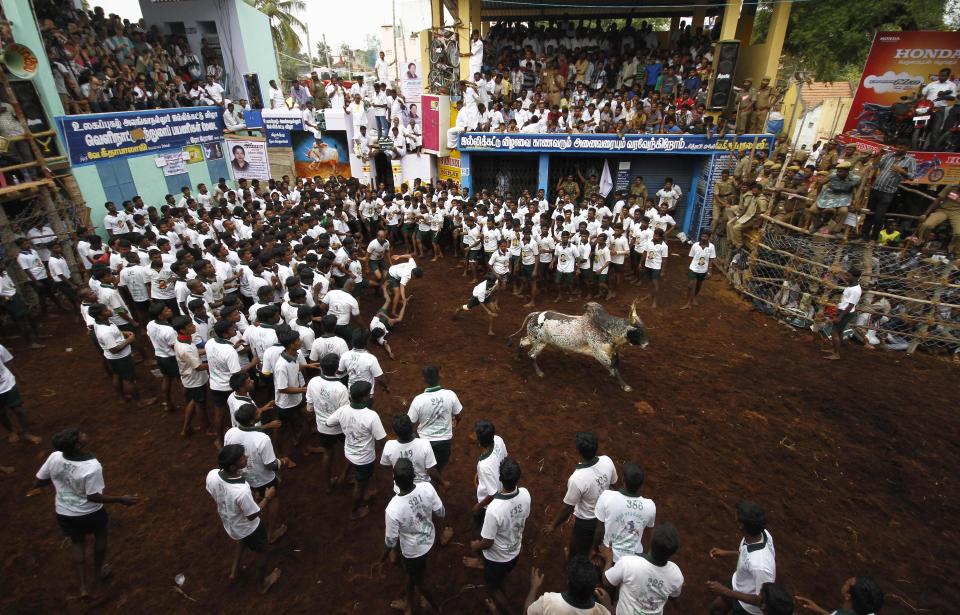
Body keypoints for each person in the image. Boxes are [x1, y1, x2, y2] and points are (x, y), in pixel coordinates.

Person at [31, 428, 138, 601]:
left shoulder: (55, 457)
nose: (84, 434)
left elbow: (39, 481)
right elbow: (93, 496)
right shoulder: (91, 466)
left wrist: (52, 484)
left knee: (77, 542)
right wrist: (120, 499)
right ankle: (97, 573)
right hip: (89, 512)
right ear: (77, 445)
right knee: (100, 536)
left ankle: (83, 586)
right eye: (80, 435)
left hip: (65, 512)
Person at [205, 444, 282, 593]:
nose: (246, 457)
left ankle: (234, 571)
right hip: (249, 527)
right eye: (242, 458)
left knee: (242, 539)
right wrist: (267, 497)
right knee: (263, 552)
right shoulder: (241, 491)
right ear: (233, 467)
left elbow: (215, 494)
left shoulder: (212, 475)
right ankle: (263, 585)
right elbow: (253, 515)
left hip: (230, 521)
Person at [376, 458, 444, 615]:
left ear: (395, 481)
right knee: (413, 575)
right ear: (414, 475)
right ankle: (409, 603)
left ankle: (433, 607)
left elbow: (391, 542)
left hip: (413, 551)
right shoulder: (427, 487)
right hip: (429, 538)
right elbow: (441, 512)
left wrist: (381, 559)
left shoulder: (393, 508)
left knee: (419, 581)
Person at [465, 457, 531, 615]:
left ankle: (507, 611)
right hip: (514, 552)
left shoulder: (494, 509)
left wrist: (475, 546)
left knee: (492, 587)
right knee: (500, 579)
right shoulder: (525, 495)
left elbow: (487, 542)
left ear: (500, 479)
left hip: (497, 559)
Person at [547, 432, 618, 559]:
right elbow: (614, 485)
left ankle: (574, 562)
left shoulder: (577, 478)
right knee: (597, 541)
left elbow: (567, 508)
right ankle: (594, 552)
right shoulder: (607, 461)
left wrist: (553, 525)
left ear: (579, 452)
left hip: (586, 521)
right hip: (605, 515)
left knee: (577, 546)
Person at [224, 404, 287, 544]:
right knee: (273, 498)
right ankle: (271, 532)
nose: (260, 411)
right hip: (263, 479)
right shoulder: (263, 439)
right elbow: (270, 464)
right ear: (252, 421)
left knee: (253, 496)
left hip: (242, 477)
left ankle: (256, 505)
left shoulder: (230, 432)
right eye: (257, 412)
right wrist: (283, 462)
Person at [324, 381, 386, 520]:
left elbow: (328, 422)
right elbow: (381, 439)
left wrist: (348, 427)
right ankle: (354, 511)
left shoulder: (343, 410)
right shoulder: (371, 416)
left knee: (356, 470)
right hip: (364, 458)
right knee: (360, 483)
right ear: (364, 398)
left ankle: (346, 480)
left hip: (349, 451)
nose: (370, 396)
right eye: (368, 395)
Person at [707, 500, 776, 615]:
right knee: (715, 610)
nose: (734, 515)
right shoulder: (760, 534)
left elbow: (762, 600)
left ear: (741, 525)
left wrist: (725, 591)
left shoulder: (760, 566)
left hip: (748, 608)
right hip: (738, 582)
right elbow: (747, 556)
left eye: (737, 515)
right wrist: (727, 553)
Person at [603, 523, 684, 615]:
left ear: (651, 542)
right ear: (672, 552)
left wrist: (609, 558)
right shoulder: (676, 575)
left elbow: (607, 581)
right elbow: (673, 596)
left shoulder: (628, 563)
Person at [89, 302, 155, 407]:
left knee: (117, 375)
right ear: (100, 315)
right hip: (120, 357)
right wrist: (130, 339)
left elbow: (114, 334)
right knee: (129, 380)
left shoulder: (102, 322)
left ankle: (122, 397)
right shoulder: (105, 332)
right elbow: (114, 349)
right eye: (106, 310)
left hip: (114, 358)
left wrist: (124, 333)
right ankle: (139, 401)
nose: (109, 310)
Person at [304, 353, 350, 493]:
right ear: (337, 368)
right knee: (350, 451)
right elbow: (344, 413)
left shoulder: (313, 382)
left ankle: (327, 485)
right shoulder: (341, 388)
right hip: (340, 428)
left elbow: (309, 407)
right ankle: (344, 476)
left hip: (323, 427)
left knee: (328, 454)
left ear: (321, 367)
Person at [595, 462, 655, 564]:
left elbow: (599, 530)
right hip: (634, 559)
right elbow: (648, 535)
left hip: (609, 556)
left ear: (623, 480)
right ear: (641, 485)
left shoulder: (607, 496)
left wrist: (595, 550)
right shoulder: (650, 506)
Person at [524, 556, 614, 615]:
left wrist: (534, 587)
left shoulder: (548, 601)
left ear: (568, 581)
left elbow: (526, 612)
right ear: (594, 588)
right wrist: (609, 607)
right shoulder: (602, 612)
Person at [862, 145, 916, 242]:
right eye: (897, 147)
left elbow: (912, 177)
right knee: (868, 214)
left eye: (901, 147)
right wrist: (880, 155)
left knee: (879, 217)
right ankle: (863, 237)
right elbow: (875, 166)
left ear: (906, 149)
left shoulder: (910, 160)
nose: (898, 149)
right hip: (875, 189)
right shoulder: (888, 156)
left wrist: (901, 171)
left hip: (888, 192)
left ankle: (873, 238)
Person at [172, 315, 210, 437]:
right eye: (190, 326)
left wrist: (208, 350)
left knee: (194, 401)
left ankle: (186, 427)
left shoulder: (183, 339)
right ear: (182, 330)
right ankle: (207, 429)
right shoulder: (185, 348)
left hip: (190, 378)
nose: (193, 326)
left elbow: (195, 352)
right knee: (200, 404)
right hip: (195, 380)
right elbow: (198, 366)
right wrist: (214, 363)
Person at [0, 344, 41, 444]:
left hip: (8, 382)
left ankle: (27, 433)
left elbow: (9, 363)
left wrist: (20, 376)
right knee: (1, 413)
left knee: (19, 410)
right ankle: (12, 431)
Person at [0, 260, 44, 348]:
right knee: (22, 321)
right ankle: (30, 342)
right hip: (11, 301)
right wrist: (6, 298)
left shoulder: (4, 273)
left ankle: (36, 336)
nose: (3, 265)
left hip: (16, 296)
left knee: (29, 317)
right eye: (1, 264)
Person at [795, 576, 884, 615]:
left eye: (846, 583)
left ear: (848, 596)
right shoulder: (869, 611)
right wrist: (819, 610)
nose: (844, 583)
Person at [824, 268, 862, 361]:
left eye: (848, 275)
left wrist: (840, 317)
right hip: (844, 311)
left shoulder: (855, 290)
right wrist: (839, 274)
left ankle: (836, 354)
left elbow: (850, 305)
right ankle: (834, 349)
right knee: (839, 331)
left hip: (846, 312)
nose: (846, 277)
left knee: (834, 332)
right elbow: (847, 285)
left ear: (855, 277)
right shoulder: (852, 285)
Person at [682, 230, 717, 310]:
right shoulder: (695, 245)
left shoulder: (711, 247)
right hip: (693, 268)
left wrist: (709, 271)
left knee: (699, 285)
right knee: (689, 286)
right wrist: (689, 267)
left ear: (709, 237)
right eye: (702, 236)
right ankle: (688, 303)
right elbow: (691, 256)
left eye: (705, 237)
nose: (703, 238)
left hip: (703, 270)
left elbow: (711, 260)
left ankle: (693, 297)